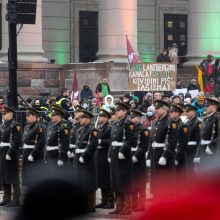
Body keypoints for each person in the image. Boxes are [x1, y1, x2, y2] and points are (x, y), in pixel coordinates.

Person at [146, 100, 178, 199]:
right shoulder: (155, 122)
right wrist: (149, 156)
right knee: (155, 178)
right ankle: (156, 196)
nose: (156, 110)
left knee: (164, 179)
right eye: (156, 108)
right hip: (155, 154)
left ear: (165, 109)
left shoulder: (170, 123)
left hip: (164, 155)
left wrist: (165, 155)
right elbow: (151, 141)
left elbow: (172, 141)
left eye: (158, 108)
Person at [108, 102, 135, 215]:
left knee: (124, 181)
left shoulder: (128, 123)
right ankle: (118, 206)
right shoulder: (115, 123)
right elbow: (112, 141)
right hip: (115, 154)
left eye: (119, 110)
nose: (117, 112)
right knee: (116, 181)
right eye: (116, 110)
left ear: (124, 111)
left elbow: (131, 139)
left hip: (123, 155)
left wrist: (123, 150)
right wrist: (109, 154)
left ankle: (127, 207)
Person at [74, 109, 98, 212]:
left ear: (88, 118)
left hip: (87, 159)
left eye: (82, 118)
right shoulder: (80, 129)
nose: (80, 120)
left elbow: (93, 145)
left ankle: (91, 205)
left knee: (89, 182)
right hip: (79, 156)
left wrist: (85, 156)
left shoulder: (92, 130)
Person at [0, 106, 22, 207]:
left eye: (5, 113)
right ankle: (6, 198)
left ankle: (16, 199)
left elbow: (16, 141)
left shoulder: (15, 125)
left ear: (11, 114)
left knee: (13, 176)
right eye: (2, 113)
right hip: (2, 151)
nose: (3, 115)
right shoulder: (3, 125)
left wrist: (10, 152)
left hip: (10, 153)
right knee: (4, 175)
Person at [130, 109, 150, 211]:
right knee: (133, 183)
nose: (132, 119)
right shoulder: (130, 129)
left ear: (138, 118)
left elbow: (144, 146)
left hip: (139, 159)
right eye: (131, 117)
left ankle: (141, 205)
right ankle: (134, 204)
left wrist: (136, 156)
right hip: (130, 158)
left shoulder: (143, 130)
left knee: (140, 184)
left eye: (133, 117)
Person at [22, 108, 46, 187]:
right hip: (26, 152)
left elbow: (40, 142)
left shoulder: (40, 127)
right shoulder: (27, 127)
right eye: (26, 116)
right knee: (26, 175)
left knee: (35, 176)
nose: (27, 117)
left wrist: (33, 154)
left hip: (35, 154)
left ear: (35, 116)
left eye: (29, 116)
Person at [95, 109, 114, 209]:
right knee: (101, 178)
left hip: (106, 154)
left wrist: (100, 141)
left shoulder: (109, 128)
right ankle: (104, 200)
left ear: (106, 118)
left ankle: (110, 201)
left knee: (107, 178)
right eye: (99, 116)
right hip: (100, 154)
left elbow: (111, 140)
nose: (99, 118)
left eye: (101, 116)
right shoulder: (100, 127)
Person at [45, 104, 70, 170]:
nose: (51, 117)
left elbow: (65, 144)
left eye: (53, 115)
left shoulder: (63, 126)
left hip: (57, 155)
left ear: (59, 116)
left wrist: (61, 158)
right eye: (51, 115)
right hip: (49, 154)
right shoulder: (51, 125)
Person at [198, 97, 219, 166]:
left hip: (212, 150)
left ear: (214, 106)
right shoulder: (207, 118)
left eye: (207, 106)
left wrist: (211, 146)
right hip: (204, 148)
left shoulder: (217, 117)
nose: (205, 108)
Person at [185, 104, 201, 175]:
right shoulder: (187, 122)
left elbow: (199, 140)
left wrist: (197, 155)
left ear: (193, 112)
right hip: (187, 150)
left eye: (188, 111)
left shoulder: (197, 123)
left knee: (192, 172)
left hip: (193, 151)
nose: (186, 113)